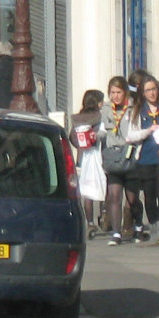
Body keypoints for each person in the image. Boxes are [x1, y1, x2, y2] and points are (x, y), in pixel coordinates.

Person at [130, 75, 159, 244]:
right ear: (143, 93)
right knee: (149, 196)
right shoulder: (138, 110)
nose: (152, 93)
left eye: (154, 89)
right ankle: (153, 227)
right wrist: (149, 130)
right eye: (148, 90)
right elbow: (131, 135)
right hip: (145, 158)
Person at [102, 78, 139, 244]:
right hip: (113, 157)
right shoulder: (105, 109)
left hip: (129, 155)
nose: (115, 96)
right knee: (114, 195)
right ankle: (116, 233)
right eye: (112, 93)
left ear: (125, 92)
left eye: (118, 92)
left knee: (132, 198)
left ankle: (138, 226)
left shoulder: (133, 108)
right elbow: (102, 131)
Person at [71, 90, 107, 237]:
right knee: (104, 185)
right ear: (98, 102)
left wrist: (80, 145)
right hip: (100, 156)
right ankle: (104, 215)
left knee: (87, 192)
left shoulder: (77, 118)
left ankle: (90, 223)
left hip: (83, 158)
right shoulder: (101, 116)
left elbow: (72, 138)